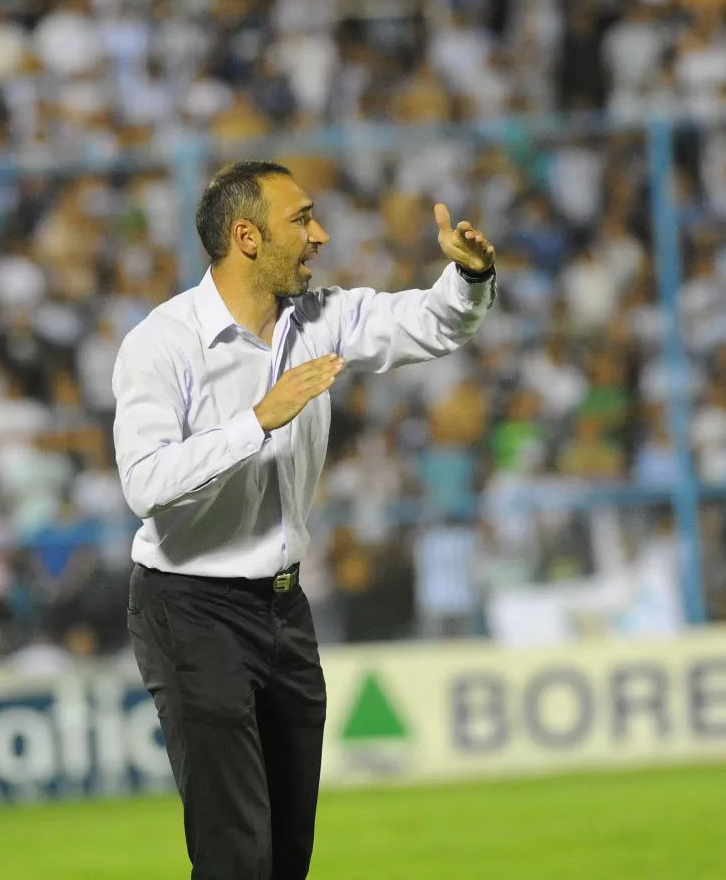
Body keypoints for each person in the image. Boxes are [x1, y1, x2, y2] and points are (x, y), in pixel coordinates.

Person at [112, 160, 496, 879]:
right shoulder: (160, 344)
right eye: (303, 220)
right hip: (190, 608)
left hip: (284, 608)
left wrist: (470, 279)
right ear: (247, 237)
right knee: (236, 857)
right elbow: (145, 482)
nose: (320, 235)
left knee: (287, 857)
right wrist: (257, 421)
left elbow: (433, 324)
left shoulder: (320, 318)